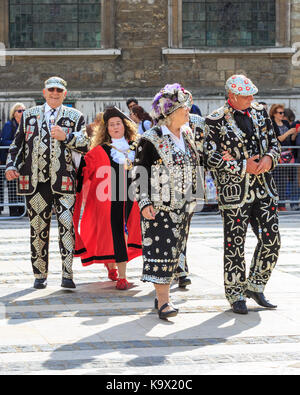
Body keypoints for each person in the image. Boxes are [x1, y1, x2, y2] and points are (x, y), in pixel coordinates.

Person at [204, 75, 281, 315]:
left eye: (252, 95)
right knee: (235, 245)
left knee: (272, 239)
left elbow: (274, 144)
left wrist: (270, 159)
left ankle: (256, 284)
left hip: (264, 187)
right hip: (234, 192)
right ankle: (235, 293)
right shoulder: (214, 120)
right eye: (246, 96)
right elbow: (209, 156)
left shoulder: (260, 113)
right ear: (232, 97)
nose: (252, 98)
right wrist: (240, 166)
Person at [5, 76, 90, 290]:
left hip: (64, 182)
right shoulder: (30, 115)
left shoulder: (75, 116)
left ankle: (67, 274)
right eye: (51, 90)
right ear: (44, 93)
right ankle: (40, 274)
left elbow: (86, 144)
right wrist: (10, 166)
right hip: (36, 182)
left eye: (59, 90)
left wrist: (66, 137)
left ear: (65, 94)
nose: (54, 93)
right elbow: (18, 144)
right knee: (38, 227)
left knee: (66, 226)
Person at [133, 83, 204, 319]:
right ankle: (164, 303)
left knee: (175, 253)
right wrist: (144, 202)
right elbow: (138, 171)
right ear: (170, 112)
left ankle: (161, 297)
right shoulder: (150, 138)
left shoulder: (187, 134)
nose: (188, 111)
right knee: (160, 252)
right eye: (184, 107)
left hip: (184, 205)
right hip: (159, 206)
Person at [74, 107, 142, 290]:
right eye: (111, 125)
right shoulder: (99, 151)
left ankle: (117, 269)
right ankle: (120, 275)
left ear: (125, 126)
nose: (115, 127)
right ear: (106, 129)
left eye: (118, 123)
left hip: (131, 198)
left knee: (126, 232)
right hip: (109, 200)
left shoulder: (137, 146)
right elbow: (84, 171)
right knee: (115, 232)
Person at [270, 104, 300, 211]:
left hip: (288, 154)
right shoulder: (272, 124)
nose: (282, 115)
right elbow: (279, 139)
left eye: (283, 112)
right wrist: (289, 132)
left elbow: (290, 139)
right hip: (278, 155)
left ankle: (282, 204)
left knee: (288, 180)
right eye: (280, 113)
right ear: (274, 114)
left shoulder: (286, 123)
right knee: (277, 180)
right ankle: (277, 204)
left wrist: (295, 133)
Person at [0, 103, 26, 216]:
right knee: (12, 184)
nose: (22, 113)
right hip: (11, 160)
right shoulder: (9, 125)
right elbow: (4, 141)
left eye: (24, 110)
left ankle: (23, 209)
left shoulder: (27, 124)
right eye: (19, 111)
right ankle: (14, 211)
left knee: (24, 184)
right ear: (14, 113)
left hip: (24, 160)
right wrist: (18, 143)